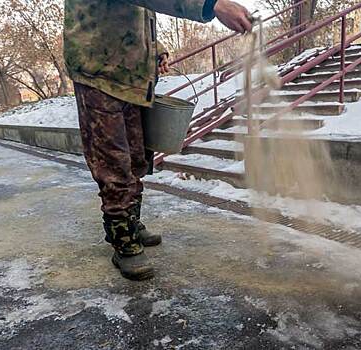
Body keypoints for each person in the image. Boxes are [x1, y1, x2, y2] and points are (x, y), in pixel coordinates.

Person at [64, 0, 252, 280]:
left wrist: (155, 49)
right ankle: (123, 241)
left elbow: (137, 11)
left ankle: (131, 222)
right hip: (98, 72)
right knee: (114, 163)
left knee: (137, 158)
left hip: (130, 75)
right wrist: (212, 4)